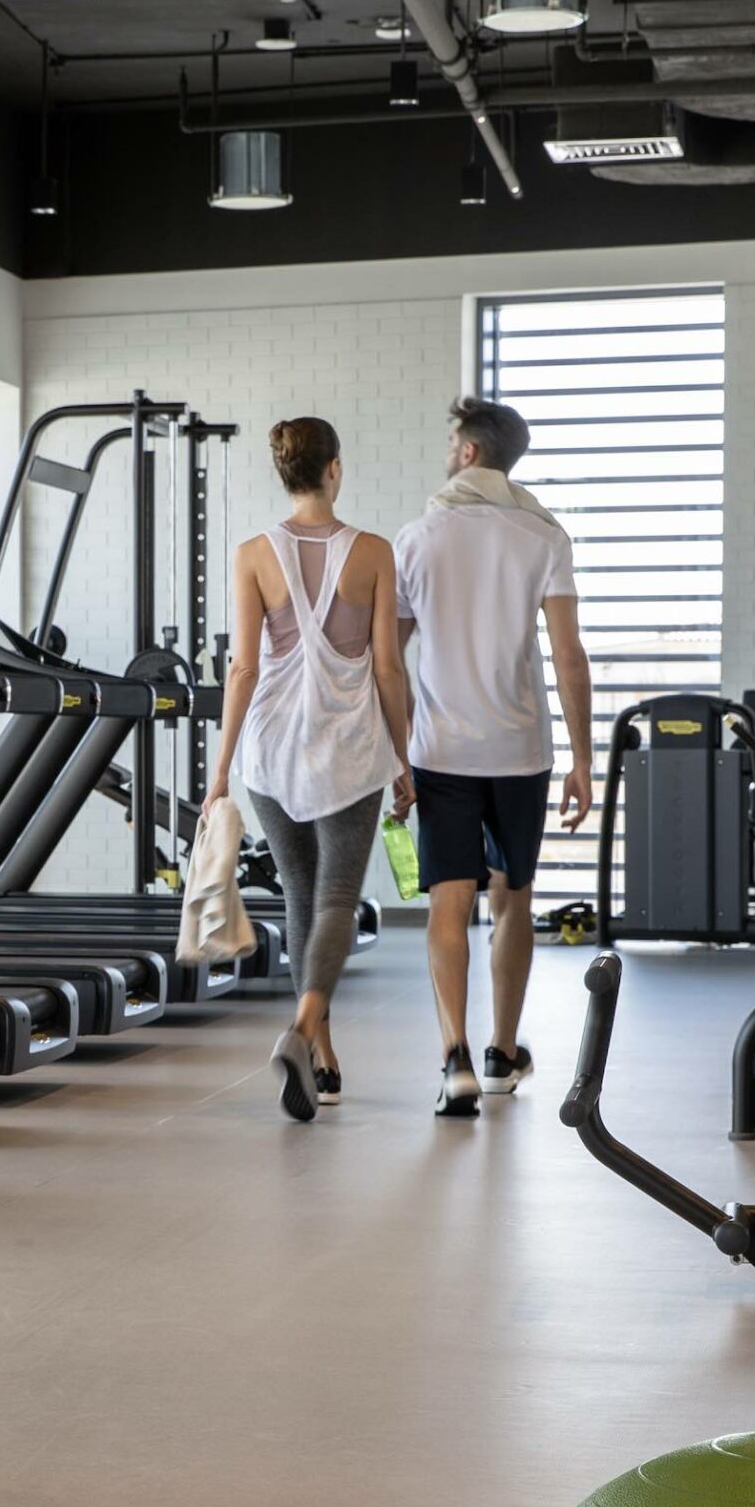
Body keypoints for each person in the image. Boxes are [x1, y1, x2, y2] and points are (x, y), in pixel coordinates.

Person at [205, 417, 414, 1122]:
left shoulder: (253, 554)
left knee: (300, 894)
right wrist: (405, 759)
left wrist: (221, 769)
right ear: (335, 469)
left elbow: (242, 668)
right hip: (348, 750)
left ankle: (324, 1062)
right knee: (334, 902)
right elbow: (388, 666)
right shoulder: (375, 552)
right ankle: (301, 1034)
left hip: (270, 748)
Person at [394, 396, 592, 1118]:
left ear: (470, 453)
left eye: (452, 441)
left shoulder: (416, 537)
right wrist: (583, 758)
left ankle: (454, 1060)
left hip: (441, 750)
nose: (447, 451)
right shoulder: (544, 535)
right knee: (512, 899)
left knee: (449, 900)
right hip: (520, 750)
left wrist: (396, 751)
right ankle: (502, 1055)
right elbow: (569, 656)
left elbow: (390, 658)